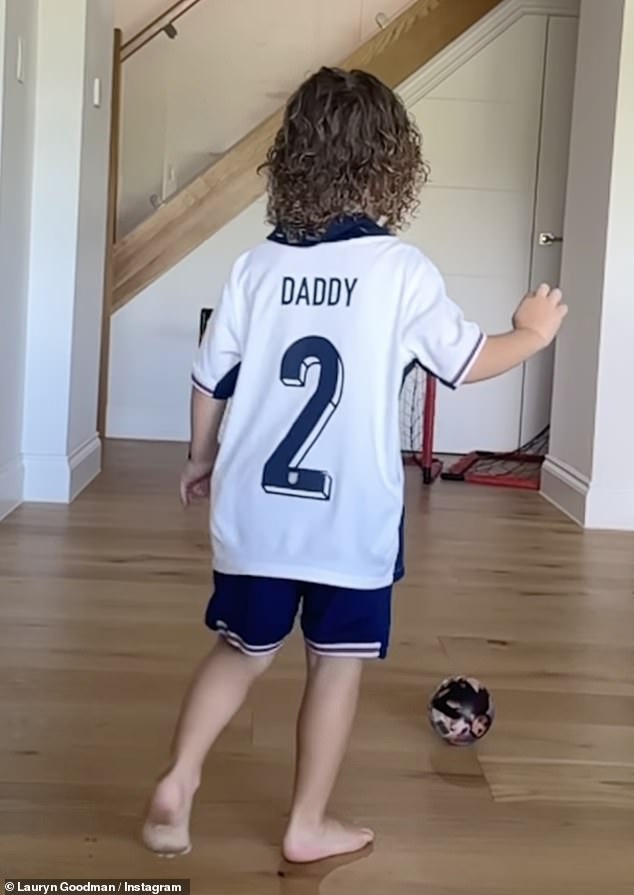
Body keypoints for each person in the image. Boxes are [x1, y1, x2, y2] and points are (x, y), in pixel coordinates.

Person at [142, 66, 567, 863]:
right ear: (390, 167)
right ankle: (305, 825)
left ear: (292, 160)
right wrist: (534, 334)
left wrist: (201, 459)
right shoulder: (400, 272)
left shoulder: (255, 269)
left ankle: (180, 775)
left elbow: (209, 381)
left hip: (257, 512)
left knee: (239, 649)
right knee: (334, 668)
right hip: (350, 523)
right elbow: (468, 360)